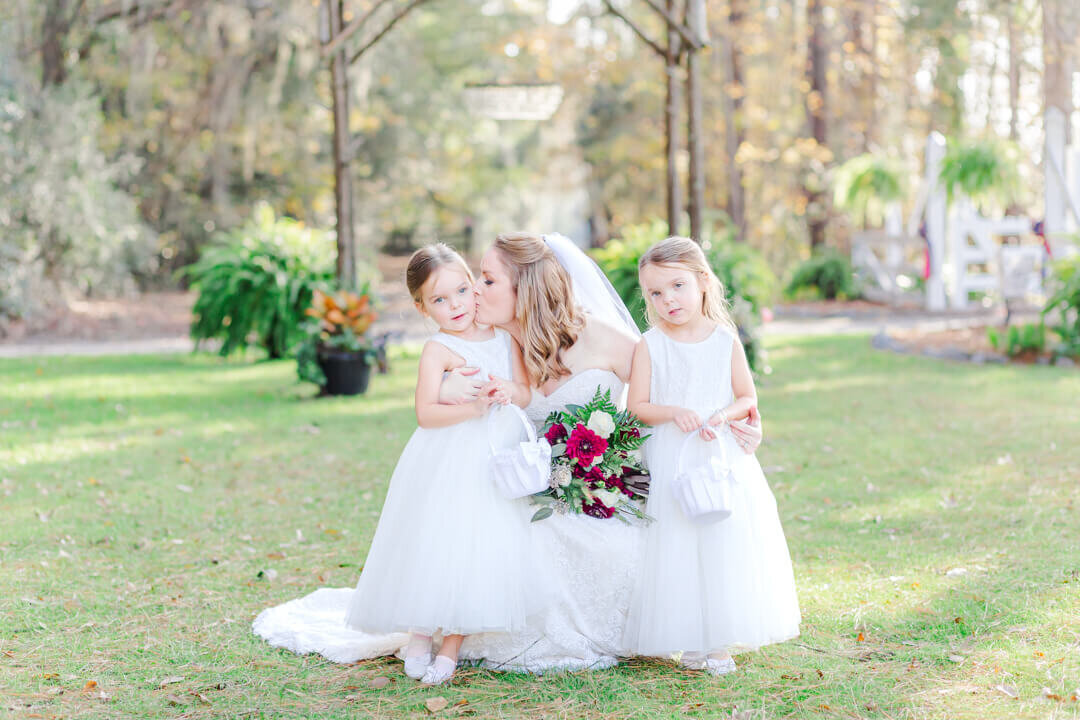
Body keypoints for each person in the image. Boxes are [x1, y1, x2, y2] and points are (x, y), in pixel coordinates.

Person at [343, 243, 533, 685]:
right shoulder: (438, 349)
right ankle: (420, 635)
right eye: (440, 300)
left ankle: (452, 646)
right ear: (422, 307)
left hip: (493, 460)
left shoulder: (506, 339)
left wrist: (505, 390)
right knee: (435, 541)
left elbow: (525, 391)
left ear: (473, 285)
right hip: (446, 457)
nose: (456, 306)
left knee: (476, 547)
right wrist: (472, 410)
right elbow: (425, 414)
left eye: (462, 292)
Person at [621, 236, 800, 675]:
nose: (668, 301)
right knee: (678, 544)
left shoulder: (724, 340)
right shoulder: (650, 345)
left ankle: (718, 639)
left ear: (703, 282)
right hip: (671, 456)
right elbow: (637, 406)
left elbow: (746, 396)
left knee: (722, 542)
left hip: (717, 454)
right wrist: (674, 411)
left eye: (677, 286)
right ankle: (690, 639)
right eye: (656, 294)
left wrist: (721, 415)